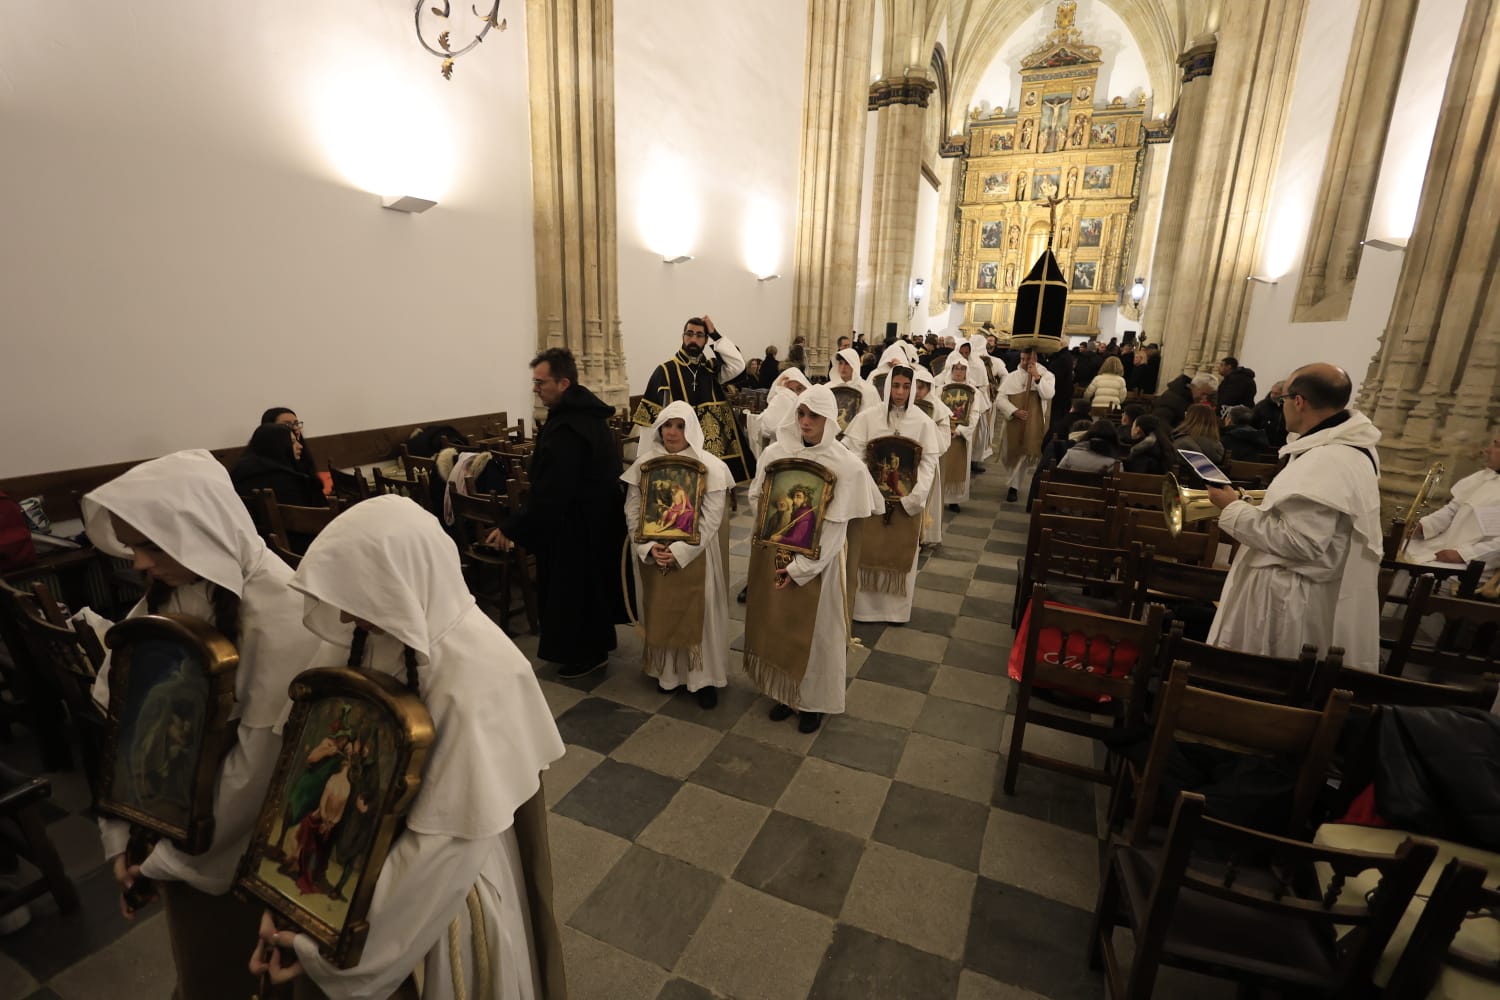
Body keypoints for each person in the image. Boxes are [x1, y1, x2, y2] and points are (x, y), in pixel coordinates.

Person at [251, 495, 566, 1000]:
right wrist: (290, 893)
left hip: (431, 905)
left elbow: (443, 849)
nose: (349, 614)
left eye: (362, 595)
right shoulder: (355, 640)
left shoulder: (479, 670)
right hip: (349, 878)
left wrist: (331, 950)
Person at [82, 450, 319, 1000]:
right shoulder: (177, 585)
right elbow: (125, 715)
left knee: (240, 967)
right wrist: (123, 833)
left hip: (232, 837)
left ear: (200, 535)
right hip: (177, 821)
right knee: (201, 965)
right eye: (131, 546)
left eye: (149, 546)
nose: (137, 563)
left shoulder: (281, 611)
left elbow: (258, 768)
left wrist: (167, 857)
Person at [1205, 364, 1382, 670]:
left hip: (1288, 603)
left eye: (1284, 398)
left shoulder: (1329, 459)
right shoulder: (1344, 448)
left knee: (1261, 685)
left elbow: (1301, 543)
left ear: (1298, 401)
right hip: (1295, 591)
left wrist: (1232, 507)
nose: (1282, 406)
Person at [742, 386, 883, 733]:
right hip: (777, 552)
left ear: (829, 419)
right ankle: (784, 693)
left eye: (814, 416)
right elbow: (756, 496)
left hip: (820, 564)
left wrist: (802, 568)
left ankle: (814, 703)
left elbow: (836, 527)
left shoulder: (845, 464)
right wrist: (775, 532)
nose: (805, 422)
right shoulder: (776, 452)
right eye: (801, 414)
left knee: (820, 636)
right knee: (779, 624)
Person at [487, 348, 626, 678]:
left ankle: (584, 655)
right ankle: (595, 647)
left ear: (563, 383)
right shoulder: (581, 416)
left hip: (576, 525)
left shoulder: (570, 427)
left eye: (540, 382)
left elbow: (552, 490)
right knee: (588, 588)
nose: (535, 388)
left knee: (574, 590)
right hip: (591, 520)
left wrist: (513, 526)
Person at [622, 402, 732, 709]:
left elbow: (711, 518)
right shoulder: (646, 463)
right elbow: (633, 508)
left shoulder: (709, 465)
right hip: (655, 552)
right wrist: (645, 546)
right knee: (661, 608)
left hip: (696, 556)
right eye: (667, 425)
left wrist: (681, 551)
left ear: (691, 429)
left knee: (701, 614)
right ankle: (668, 675)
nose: (672, 432)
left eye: (680, 426)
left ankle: (704, 679)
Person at [841, 366, 942, 624]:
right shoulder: (867, 418)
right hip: (871, 499)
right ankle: (862, 608)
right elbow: (854, 456)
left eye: (906, 387)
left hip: (906, 501)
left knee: (900, 552)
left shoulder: (922, 422)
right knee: (866, 550)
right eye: (895, 385)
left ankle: (895, 611)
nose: (900, 392)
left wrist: (914, 498)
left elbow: (929, 463)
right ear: (887, 387)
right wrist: (871, 490)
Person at [638, 315, 752, 482]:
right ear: (683, 336)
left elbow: (738, 365)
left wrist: (715, 334)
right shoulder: (665, 371)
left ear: (706, 340)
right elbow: (649, 420)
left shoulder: (711, 369)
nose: (693, 339)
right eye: (689, 334)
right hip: (680, 447)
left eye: (699, 335)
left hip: (711, 451)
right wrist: (646, 459)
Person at [1401, 430, 1500, 570]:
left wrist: (1463, 554)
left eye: (1497, 446)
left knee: (1414, 572)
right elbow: (1452, 510)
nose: (1488, 450)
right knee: (1395, 553)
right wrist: (1423, 526)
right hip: (1442, 546)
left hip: (1472, 564)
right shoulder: (1482, 477)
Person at [994, 347, 1056, 503]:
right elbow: (1000, 399)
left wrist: (1036, 377)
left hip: (1034, 422)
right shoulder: (1012, 376)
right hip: (1013, 422)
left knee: (1024, 455)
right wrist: (1014, 411)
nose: (1023, 362)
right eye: (1021, 359)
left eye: (1027, 359)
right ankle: (1012, 479)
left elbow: (1048, 394)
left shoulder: (1047, 375)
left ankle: (1014, 487)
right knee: (1009, 453)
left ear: (1035, 359)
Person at [933, 354, 990, 512]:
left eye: (962, 368)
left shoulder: (973, 392)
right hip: (943, 432)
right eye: (956, 368)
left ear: (967, 371)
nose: (959, 372)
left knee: (959, 466)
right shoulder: (940, 390)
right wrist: (945, 428)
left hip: (961, 435)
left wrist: (959, 430)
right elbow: (936, 411)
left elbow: (975, 414)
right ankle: (938, 497)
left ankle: (954, 500)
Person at [231, 422, 328, 508]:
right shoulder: (295, 482)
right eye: (293, 442)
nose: (300, 446)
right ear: (278, 446)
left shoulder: (236, 475)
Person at [911, 366, 952, 546]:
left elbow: (944, 441)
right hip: (907, 460)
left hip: (926, 460)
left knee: (926, 498)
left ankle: (925, 534)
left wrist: (928, 428)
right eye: (916, 387)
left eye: (921, 388)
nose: (918, 392)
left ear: (929, 388)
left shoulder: (939, 410)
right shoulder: (907, 406)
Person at [748, 367, 810, 458]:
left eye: (799, 389)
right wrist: (783, 395)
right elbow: (772, 428)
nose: (795, 394)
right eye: (790, 390)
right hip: (779, 455)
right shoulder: (779, 402)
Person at [1251, 381, 1289, 449]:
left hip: (1282, 448)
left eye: (1276, 393)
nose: (1273, 395)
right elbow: (1252, 425)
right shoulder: (1261, 406)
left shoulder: (1290, 408)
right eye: (1272, 392)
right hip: (1262, 447)